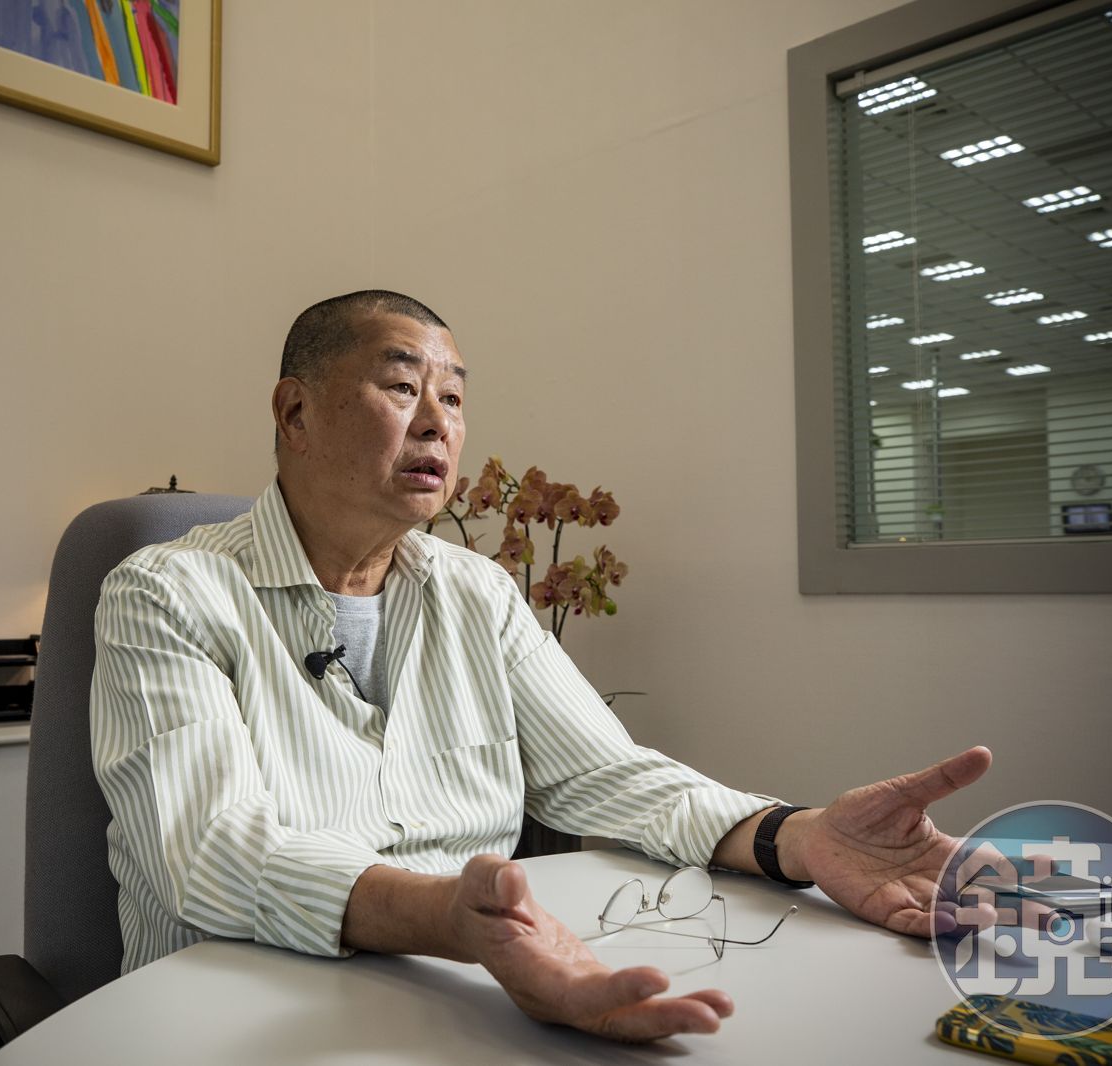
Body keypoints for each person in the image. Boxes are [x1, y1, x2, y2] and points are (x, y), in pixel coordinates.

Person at [90, 290, 994, 1043]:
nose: (438, 423)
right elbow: (210, 849)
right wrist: (449, 919)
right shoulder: (164, 593)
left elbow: (607, 774)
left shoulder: (477, 593)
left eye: (454, 398)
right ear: (294, 413)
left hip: (456, 994)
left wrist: (796, 837)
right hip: (226, 1011)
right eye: (402, 387)